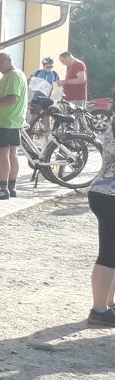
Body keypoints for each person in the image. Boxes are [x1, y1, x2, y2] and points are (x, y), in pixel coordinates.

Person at [85, 90, 115, 327]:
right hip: (109, 195)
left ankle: (109, 304)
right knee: (108, 254)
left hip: (104, 191)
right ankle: (99, 310)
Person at [0, 51, 27, 199]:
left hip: (7, 120)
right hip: (13, 120)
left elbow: (12, 99)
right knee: (12, 154)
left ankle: (3, 188)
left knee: (4, 154)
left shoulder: (12, 76)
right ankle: (11, 186)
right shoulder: (18, 74)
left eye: (0, 63)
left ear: (9, 60)